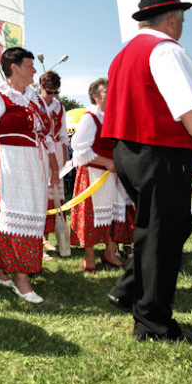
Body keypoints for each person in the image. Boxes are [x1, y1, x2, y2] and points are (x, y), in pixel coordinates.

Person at [102, 0, 192, 343]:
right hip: (160, 151)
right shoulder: (167, 50)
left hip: (127, 152)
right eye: (182, 22)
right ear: (172, 20)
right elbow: (190, 108)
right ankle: (152, 324)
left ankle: (131, 292)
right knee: (162, 236)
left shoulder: (122, 56)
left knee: (155, 230)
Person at [0, 47, 58, 304]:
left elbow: (46, 137)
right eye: (30, 65)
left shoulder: (35, 99)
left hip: (33, 167)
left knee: (26, 217)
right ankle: (20, 278)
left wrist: (53, 169)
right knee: (7, 217)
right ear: (14, 68)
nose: (35, 70)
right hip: (8, 164)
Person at [69, 78, 134, 273]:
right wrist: (106, 162)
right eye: (107, 92)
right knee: (90, 217)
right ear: (96, 96)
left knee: (115, 214)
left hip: (114, 175)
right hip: (94, 174)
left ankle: (110, 254)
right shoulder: (90, 117)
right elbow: (78, 149)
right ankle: (89, 256)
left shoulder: (115, 117)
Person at [38, 71, 68, 260]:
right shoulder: (34, 103)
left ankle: (51, 236)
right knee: (41, 196)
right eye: (49, 92)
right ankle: (39, 238)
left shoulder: (60, 106)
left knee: (56, 197)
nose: (52, 96)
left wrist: (64, 160)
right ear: (41, 87)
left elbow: (63, 134)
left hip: (56, 150)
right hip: (40, 151)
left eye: (56, 92)